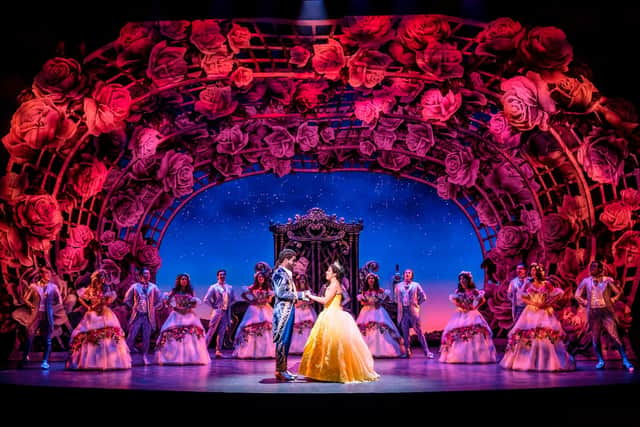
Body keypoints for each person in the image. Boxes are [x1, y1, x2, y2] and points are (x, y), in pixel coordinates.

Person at [299, 261, 379, 383]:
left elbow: (325, 300)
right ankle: (326, 371)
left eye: (329, 271)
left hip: (331, 315)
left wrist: (310, 296)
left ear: (335, 274)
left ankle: (332, 371)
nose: (326, 272)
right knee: (327, 345)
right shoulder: (334, 284)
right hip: (330, 313)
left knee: (333, 345)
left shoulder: (334, 284)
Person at [500, 265, 575, 371]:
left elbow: (558, 293)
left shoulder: (546, 284)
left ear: (539, 272)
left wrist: (548, 303)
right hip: (531, 310)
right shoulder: (528, 283)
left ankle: (546, 361)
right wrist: (533, 303)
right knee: (529, 332)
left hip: (544, 310)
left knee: (545, 333)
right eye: (531, 271)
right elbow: (521, 296)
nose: (532, 272)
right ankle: (527, 361)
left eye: (534, 270)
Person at [575, 260, 634, 372]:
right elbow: (577, 295)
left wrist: (613, 299)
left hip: (606, 312)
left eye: (595, 267)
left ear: (601, 269)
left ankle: (625, 359)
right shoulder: (586, 281)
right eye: (591, 266)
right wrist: (585, 302)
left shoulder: (607, 280)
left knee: (614, 336)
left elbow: (619, 292)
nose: (592, 269)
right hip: (593, 312)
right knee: (595, 338)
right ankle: (601, 360)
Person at [66, 269, 131, 370]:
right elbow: (80, 298)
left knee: (108, 334)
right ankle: (91, 361)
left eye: (104, 278)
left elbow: (109, 301)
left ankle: (108, 361)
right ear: (97, 278)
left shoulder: (106, 289)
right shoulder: (90, 289)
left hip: (104, 313)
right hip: (92, 314)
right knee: (89, 334)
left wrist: (104, 303)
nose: (103, 280)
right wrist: (88, 307)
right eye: (101, 277)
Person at [439, 271, 496, 364]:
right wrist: (462, 306)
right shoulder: (458, 292)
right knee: (458, 333)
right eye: (460, 279)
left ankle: (475, 356)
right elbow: (456, 302)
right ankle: (458, 356)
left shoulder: (473, 290)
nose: (462, 280)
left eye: (464, 278)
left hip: (472, 314)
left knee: (475, 333)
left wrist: (475, 307)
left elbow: (482, 299)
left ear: (468, 280)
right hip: (460, 314)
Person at [154, 273, 210, 365]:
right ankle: (172, 358)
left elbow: (194, 303)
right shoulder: (174, 291)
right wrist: (173, 307)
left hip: (188, 314)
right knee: (172, 333)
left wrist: (191, 305)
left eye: (185, 279)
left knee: (191, 334)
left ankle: (191, 358)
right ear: (179, 281)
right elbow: (167, 301)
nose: (184, 281)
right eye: (182, 279)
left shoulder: (190, 291)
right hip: (177, 314)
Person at [13, 266, 62, 369]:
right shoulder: (34, 286)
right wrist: (31, 306)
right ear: (41, 274)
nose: (49, 275)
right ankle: (24, 359)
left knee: (47, 340)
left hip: (47, 315)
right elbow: (25, 298)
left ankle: (45, 361)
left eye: (49, 273)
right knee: (29, 338)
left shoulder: (53, 287)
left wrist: (50, 305)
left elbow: (59, 300)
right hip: (36, 315)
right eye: (46, 273)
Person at [271, 248, 308, 381]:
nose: (295, 263)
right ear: (286, 259)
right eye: (293, 260)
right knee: (282, 340)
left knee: (286, 340)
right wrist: (301, 295)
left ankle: (282, 369)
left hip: (288, 308)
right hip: (283, 311)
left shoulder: (286, 273)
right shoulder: (279, 273)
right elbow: (281, 293)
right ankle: (280, 370)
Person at [355, 272, 403, 358]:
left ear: (375, 280)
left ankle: (380, 350)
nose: (371, 280)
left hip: (377, 311)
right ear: (367, 280)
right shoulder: (364, 291)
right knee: (365, 329)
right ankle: (366, 351)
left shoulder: (379, 290)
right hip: (366, 311)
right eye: (369, 278)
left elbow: (387, 298)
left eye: (372, 278)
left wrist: (380, 301)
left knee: (379, 329)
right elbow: (362, 302)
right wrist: (365, 301)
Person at [232, 271, 276, 359]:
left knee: (267, 328)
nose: (261, 278)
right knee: (251, 327)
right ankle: (249, 351)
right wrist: (250, 301)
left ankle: (266, 352)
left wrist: (266, 300)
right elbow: (243, 295)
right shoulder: (252, 287)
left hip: (265, 309)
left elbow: (270, 300)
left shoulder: (267, 288)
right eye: (259, 277)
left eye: (262, 277)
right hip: (254, 309)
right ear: (256, 278)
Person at [124, 267, 163, 365]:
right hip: (137, 315)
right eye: (145, 274)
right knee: (131, 336)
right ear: (141, 275)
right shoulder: (135, 286)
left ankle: (145, 356)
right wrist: (133, 307)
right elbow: (126, 299)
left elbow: (160, 300)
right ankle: (125, 356)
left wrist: (154, 308)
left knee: (146, 337)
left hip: (148, 316)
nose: (147, 275)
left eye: (148, 274)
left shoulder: (153, 287)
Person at [394, 269, 434, 358]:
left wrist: (416, 304)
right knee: (405, 333)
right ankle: (407, 352)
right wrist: (401, 305)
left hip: (413, 311)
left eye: (409, 273)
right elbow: (396, 298)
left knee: (419, 332)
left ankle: (426, 351)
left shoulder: (416, 285)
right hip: (403, 312)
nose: (407, 274)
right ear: (403, 275)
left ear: (412, 275)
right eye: (406, 273)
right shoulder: (398, 286)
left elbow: (423, 297)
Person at [203, 269, 235, 358]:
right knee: (211, 331)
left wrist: (228, 305)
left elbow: (234, 299)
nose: (222, 276)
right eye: (220, 274)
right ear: (217, 276)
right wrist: (214, 305)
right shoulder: (213, 287)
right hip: (217, 311)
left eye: (224, 274)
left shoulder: (230, 287)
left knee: (222, 332)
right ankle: (203, 349)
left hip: (225, 312)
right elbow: (206, 299)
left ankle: (218, 351)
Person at [289, 273, 318, 355]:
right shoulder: (295, 291)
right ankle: (296, 349)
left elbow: (312, 300)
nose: (302, 280)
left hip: (307, 311)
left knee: (307, 329)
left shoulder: (308, 290)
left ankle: (307, 348)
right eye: (301, 279)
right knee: (298, 330)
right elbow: (294, 303)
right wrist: (302, 302)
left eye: (304, 279)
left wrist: (309, 301)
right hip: (298, 311)